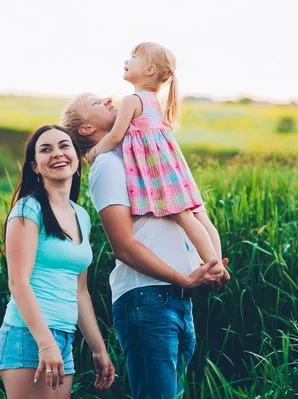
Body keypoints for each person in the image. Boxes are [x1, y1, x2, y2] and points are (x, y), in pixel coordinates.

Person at [62, 94, 231, 399]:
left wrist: (210, 267)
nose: (109, 98)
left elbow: (195, 214)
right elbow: (123, 246)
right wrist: (184, 279)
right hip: (146, 299)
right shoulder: (107, 165)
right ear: (86, 129)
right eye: (97, 102)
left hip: (178, 301)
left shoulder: (144, 155)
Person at [0, 125, 115, 398]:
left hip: (63, 338)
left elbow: (79, 291)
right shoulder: (29, 208)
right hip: (28, 337)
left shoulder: (80, 215)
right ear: (35, 167)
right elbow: (18, 282)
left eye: (64, 146)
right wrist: (45, 343)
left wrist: (98, 349)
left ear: (75, 155)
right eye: (46, 150)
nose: (57, 154)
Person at [84, 42, 225, 277]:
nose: (126, 61)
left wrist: (93, 153)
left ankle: (212, 265)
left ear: (149, 70)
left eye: (133, 57)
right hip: (172, 164)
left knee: (183, 216)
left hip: (156, 168)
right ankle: (216, 261)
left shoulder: (132, 100)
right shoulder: (153, 100)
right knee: (198, 214)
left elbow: (116, 135)